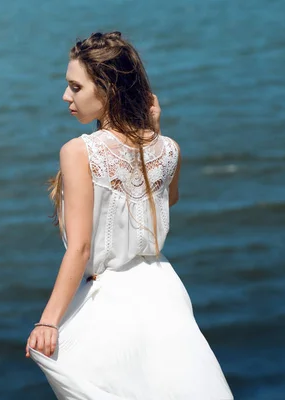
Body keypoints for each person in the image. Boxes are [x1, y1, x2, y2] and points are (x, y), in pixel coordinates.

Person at [25, 31, 234, 399]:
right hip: (163, 289)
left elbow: (81, 248)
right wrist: (154, 131)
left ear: (107, 89)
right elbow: (166, 200)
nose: (65, 96)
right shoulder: (168, 148)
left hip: (111, 301)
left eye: (75, 87)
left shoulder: (79, 151)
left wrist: (48, 321)